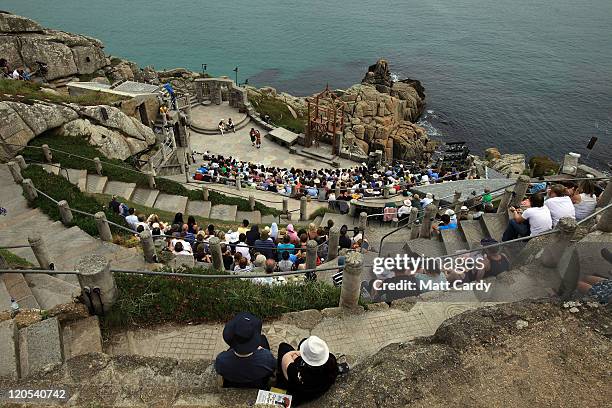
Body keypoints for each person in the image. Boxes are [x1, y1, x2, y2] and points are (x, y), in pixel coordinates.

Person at [215, 312, 276, 389]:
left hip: (233, 384)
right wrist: (262, 351)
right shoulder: (267, 358)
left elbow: (219, 370)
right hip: (258, 384)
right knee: (263, 339)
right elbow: (273, 367)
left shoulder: (221, 360)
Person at [276, 336, 338, 405]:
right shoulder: (331, 360)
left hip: (302, 393)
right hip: (319, 388)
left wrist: (298, 353)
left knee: (283, 346)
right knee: (304, 340)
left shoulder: (296, 371)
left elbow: (286, 356)